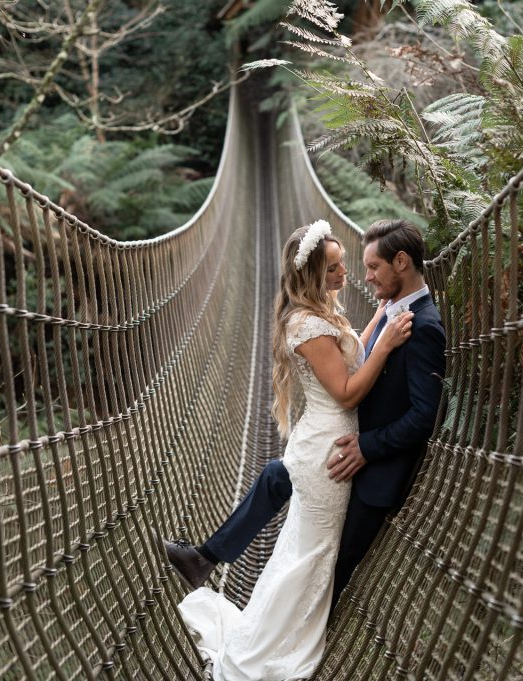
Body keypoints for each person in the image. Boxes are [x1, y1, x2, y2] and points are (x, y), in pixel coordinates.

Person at [165, 219, 445, 680]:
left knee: (305, 550)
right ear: (314, 275)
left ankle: (236, 593)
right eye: (336, 267)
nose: (351, 275)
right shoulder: (308, 322)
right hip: (328, 448)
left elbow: (360, 347)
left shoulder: (334, 314)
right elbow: (349, 392)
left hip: (329, 445)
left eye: (354, 265)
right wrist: (386, 340)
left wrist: (382, 321)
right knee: (308, 553)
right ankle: (269, 647)